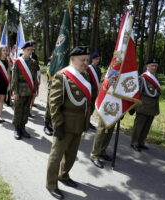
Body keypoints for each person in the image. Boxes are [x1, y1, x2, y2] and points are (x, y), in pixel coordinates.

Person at [46, 46, 92, 200]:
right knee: (56, 155)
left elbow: (87, 101)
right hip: (64, 124)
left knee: (71, 155)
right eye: (82, 60)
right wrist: (57, 124)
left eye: (87, 60)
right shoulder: (62, 76)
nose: (86, 63)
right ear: (72, 59)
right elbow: (54, 103)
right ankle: (51, 183)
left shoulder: (85, 76)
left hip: (79, 123)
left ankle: (63, 175)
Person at [130, 58, 161, 152]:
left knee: (147, 126)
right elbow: (137, 93)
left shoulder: (156, 78)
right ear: (147, 66)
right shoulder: (142, 78)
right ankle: (134, 142)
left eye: (156, 66)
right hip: (143, 106)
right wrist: (134, 106)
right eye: (152, 65)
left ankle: (141, 142)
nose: (154, 67)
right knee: (139, 126)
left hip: (152, 107)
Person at [12, 41, 38, 140]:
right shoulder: (18, 62)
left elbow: (35, 78)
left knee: (26, 110)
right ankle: (16, 128)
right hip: (20, 89)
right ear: (23, 50)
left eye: (31, 50)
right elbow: (14, 78)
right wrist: (15, 92)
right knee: (18, 109)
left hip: (29, 89)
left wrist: (34, 90)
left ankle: (23, 127)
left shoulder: (34, 62)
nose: (30, 52)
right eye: (28, 50)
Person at [88, 52, 102, 130]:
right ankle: (84, 121)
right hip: (90, 90)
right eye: (96, 59)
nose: (98, 60)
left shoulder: (98, 69)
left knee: (92, 107)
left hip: (95, 91)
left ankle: (88, 121)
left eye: (98, 59)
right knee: (88, 106)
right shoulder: (89, 68)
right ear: (93, 59)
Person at [43, 56, 54, 136]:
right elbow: (49, 75)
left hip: (60, 88)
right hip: (52, 87)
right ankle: (46, 125)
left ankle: (51, 124)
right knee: (49, 107)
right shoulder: (51, 65)